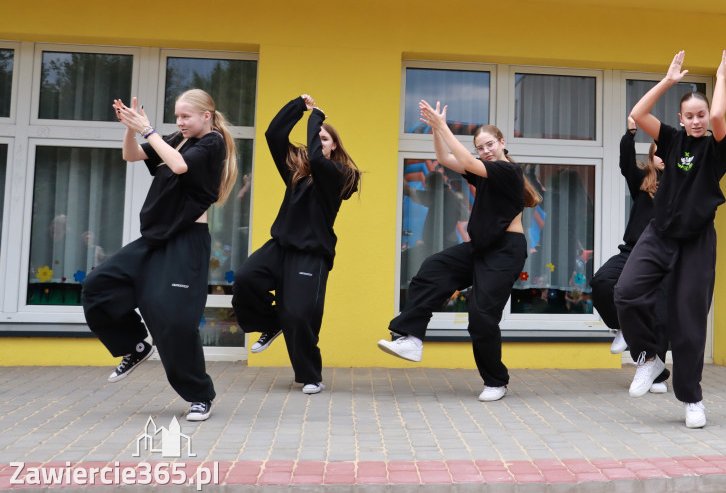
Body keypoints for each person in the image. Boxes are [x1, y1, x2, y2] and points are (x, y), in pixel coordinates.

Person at [82, 89, 237, 422]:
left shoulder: (213, 144)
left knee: (176, 323)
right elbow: (132, 155)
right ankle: (135, 345)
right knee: (98, 285)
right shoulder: (174, 139)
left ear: (206, 116)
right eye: (177, 116)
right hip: (154, 240)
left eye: (186, 116)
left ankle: (200, 397)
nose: (179, 122)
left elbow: (180, 167)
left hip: (186, 242)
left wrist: (147, 129)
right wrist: (129, 127)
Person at [378, 101, 541, 402]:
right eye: (481, 147)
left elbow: (465, 160)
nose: (486, 150)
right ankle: (412, 338)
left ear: (502, 143)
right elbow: (443, 157)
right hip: (481, 247)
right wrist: (435, 130)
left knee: (480, 316)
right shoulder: (484, 172)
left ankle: (496, 381)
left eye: (490, 144)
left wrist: (443, 125)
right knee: (432, 268)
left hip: (505, 252)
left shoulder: (508, 171)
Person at [615, 49, 726, 429]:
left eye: (701, 115)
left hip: (696, 243)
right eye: (690, 116)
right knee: (626, 292)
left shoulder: (717, 147)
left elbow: (718, 116)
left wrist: (722, 75)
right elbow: (638, 114)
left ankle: (692, 399)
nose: (698, 121)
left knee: (688, 322)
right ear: (681, 119)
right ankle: (649, 357)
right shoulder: (670, 140)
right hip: (659, 234)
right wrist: (668, 81)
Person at [231, 95, 360, 395]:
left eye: (323, 138)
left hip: (311, 254)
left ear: (334, 146)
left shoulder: (343, 176)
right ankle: (271, 322)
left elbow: (317, 159)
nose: (317, 141)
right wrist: (299, 107)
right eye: (316, 137)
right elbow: (273, 135)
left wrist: (317, 118)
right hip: (279, 247)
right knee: (245, 279)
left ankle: (310, 375)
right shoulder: (296, 173)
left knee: (299, 315)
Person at [590, 116, 670, 393]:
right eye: (656, 152)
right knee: (602, 282)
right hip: (632, 252)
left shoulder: (680, 187)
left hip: (663, 259)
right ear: (650, 157)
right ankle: (621, 327)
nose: (660, 157)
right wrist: (630, 133)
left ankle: (654, 373)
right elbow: (626, 164)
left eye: (666, 152)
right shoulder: (643, 182)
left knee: (656, 313)